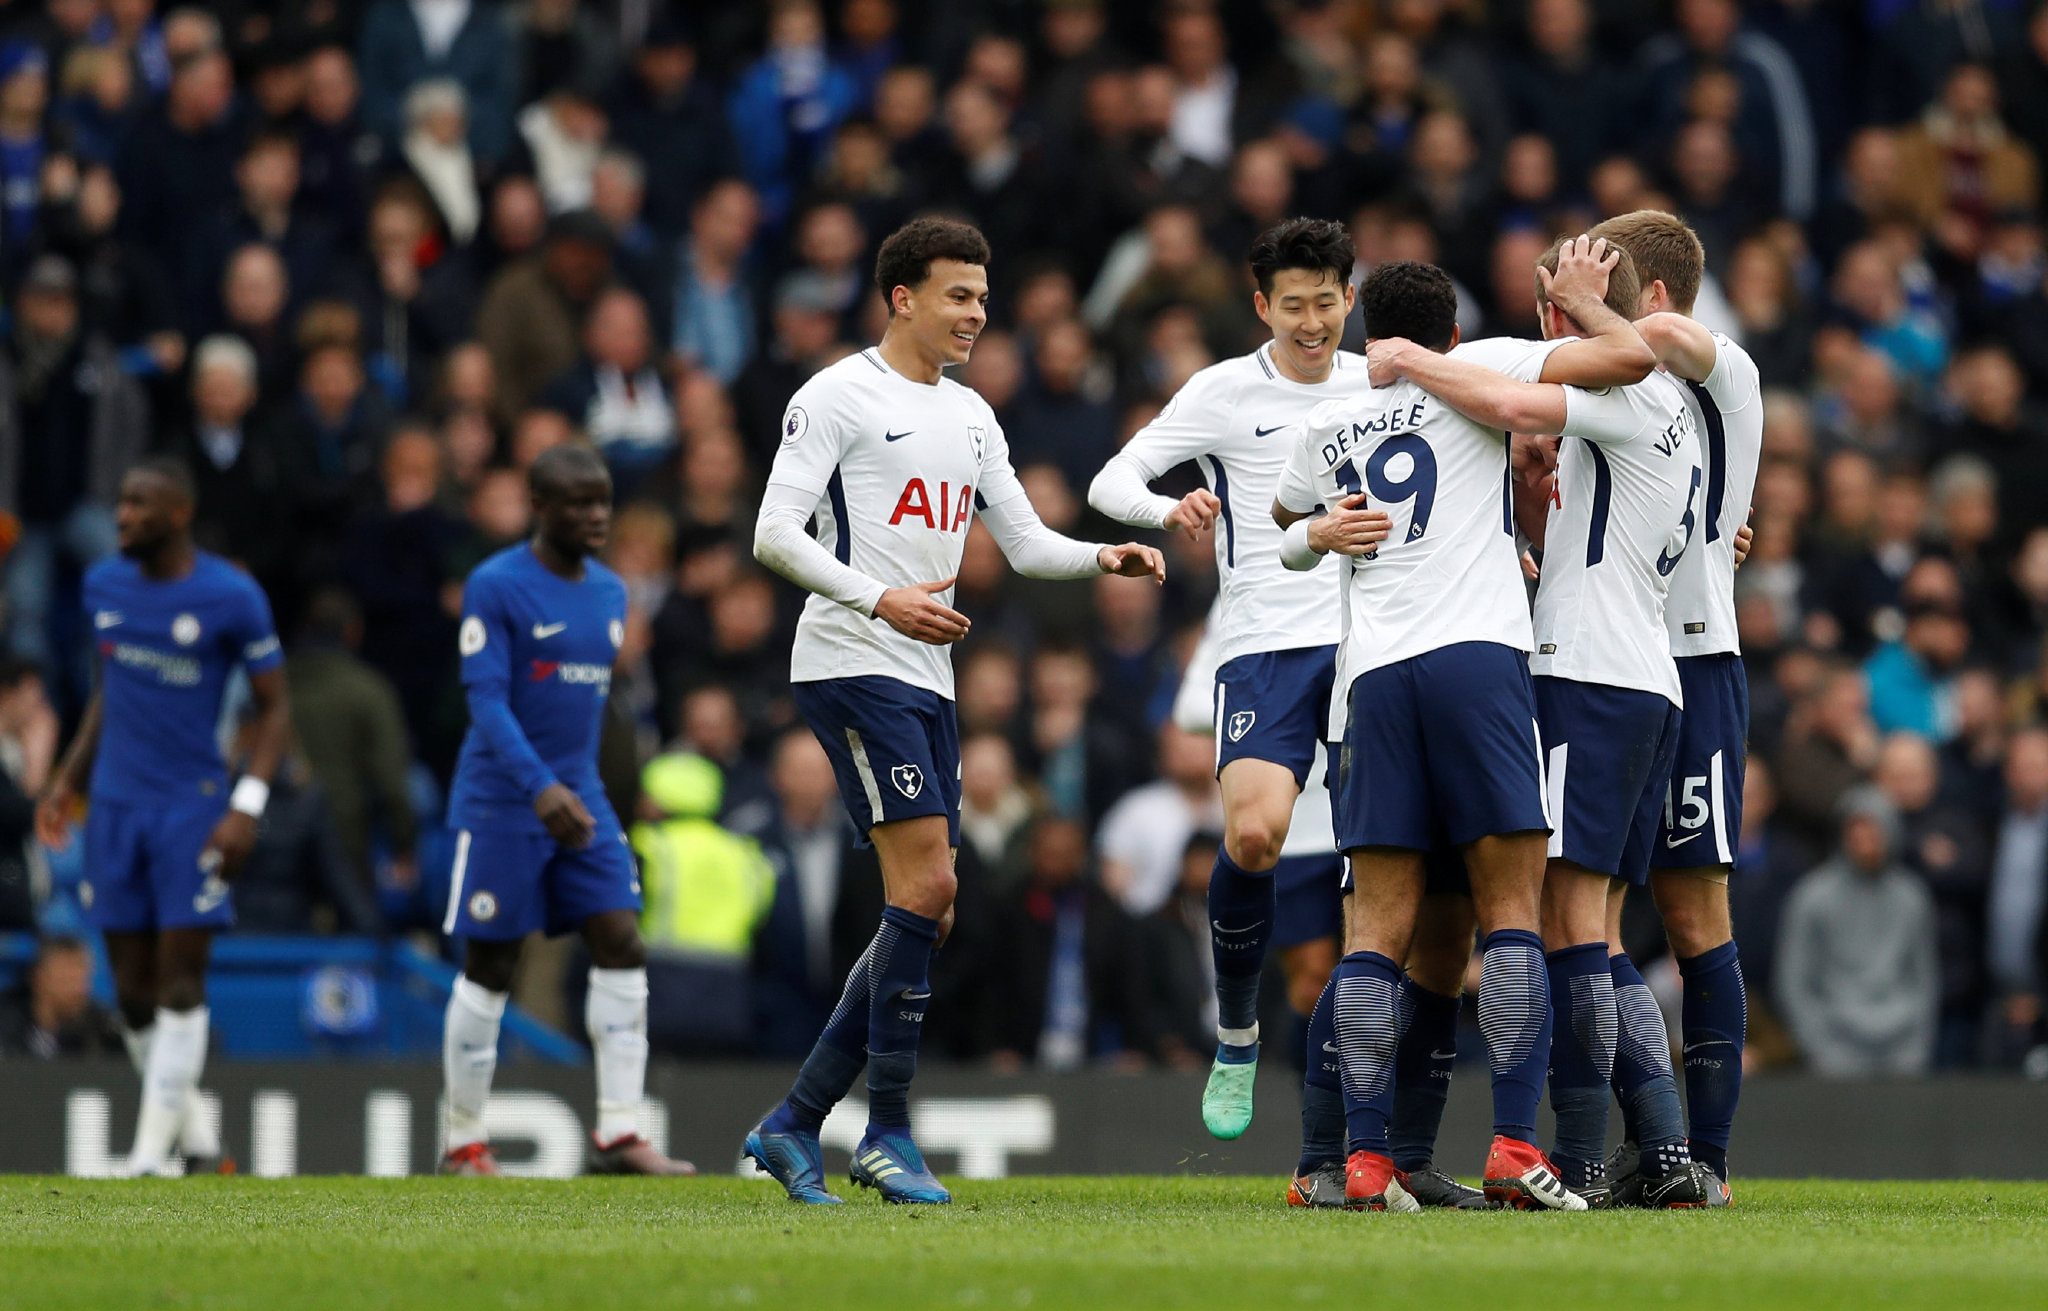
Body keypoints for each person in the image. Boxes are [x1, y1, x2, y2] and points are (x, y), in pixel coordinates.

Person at [746, 216, 1163, 1205]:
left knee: (923, 908)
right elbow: (772, 533)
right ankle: (883, 1131)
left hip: (922, 673)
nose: (977, 312)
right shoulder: (837, 395)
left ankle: (796, 1122)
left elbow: (1020, 543)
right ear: (902, 298)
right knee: (927, 891)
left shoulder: (972, 416)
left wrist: (1101, 553)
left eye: (981, 296)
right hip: (852, 657)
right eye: (957, 296)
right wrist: (876, 596)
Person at [1276, 246, 1655, 1213]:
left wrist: (1318, 530)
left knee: (1377, 935)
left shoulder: (1328, 418)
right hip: (1478, 659)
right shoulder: (1482, 365)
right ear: (1448, 331)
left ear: (1366, 330)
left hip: (1372, 681)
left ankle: (1362, 1164)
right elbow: (1630, 366)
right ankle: (1514, 1146)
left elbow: (1282, 519)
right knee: (1513, 912)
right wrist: (1574, 307)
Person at [1365, 235, 1717, 1207]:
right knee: (1596, 933)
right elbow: (1566, 519)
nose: (1541, 326)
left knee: (1560, 924)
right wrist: (1528, 501)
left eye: (1550, 307)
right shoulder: (1676, 412)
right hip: (1644, 680)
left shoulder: (1631, 389)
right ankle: (1664, 1152)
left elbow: (1515, 399)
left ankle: (1580, 1156)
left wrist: (1412, 359)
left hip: (1586, 676)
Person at [1085, 217, 1387, 1147]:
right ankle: (1237, 1033)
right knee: (1254, 835)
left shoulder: (1381, 382)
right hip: (1262, 646)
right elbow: (1111, 480)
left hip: (1372, 642)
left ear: (1349, 298)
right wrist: (1166, 505)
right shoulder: (1222, 391)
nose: (1311, 322)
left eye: (1326, 302)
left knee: (1382, 873)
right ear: (1263, 305)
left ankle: (1370, 1113)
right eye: (1292, 304)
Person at [437, 443, 693, 1178]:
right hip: (502, 800)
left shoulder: (612, 593)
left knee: (621, 938)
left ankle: (618, 1133)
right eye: (579, 503)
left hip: (579, 792)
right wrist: (537, 786)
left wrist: (579, 788)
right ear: (539, 508)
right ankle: (463, 1140)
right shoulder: (497, 584)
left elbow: (589, 710)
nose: (596, 516)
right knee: (491, 963)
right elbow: (485, 698)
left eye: (603, 501)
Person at [33, 457, 291, 1176]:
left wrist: (246, 805)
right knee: (134, 991)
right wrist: (69, 777)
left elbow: (276, 708)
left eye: (139, 505)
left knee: (181, 983)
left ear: (178, 514)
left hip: (192, 809)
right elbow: (108, 687)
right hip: (114, 805)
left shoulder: (231, 595)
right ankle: (202, 1143)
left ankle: (151, 1157)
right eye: (120, 503)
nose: (122, 517)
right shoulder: (103, 583)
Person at [1590, 210, 1763, 1196]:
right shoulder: (1610, 397)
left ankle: (1708, 1161)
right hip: (1603, 668)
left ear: (1648, 293)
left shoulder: (1713, 368)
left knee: (1694, 919)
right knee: (1579, 915)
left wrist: (1577, 323)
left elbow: (1673, 341)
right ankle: (1650, 1140)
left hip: (1693, 665)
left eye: (1604, 287)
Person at [1775, 786, 1939, 1077]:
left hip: (1902, 1051)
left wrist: (1916, 1048)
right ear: (1842, 836)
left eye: (1874, 833)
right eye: (1857, 834)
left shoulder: (1912, 898)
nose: (1865, 844)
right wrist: (1820, 1048)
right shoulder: (1811, 897)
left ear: (1892, 834)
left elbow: (1925, 980)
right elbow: (1793, 981)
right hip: (1835, 1048)